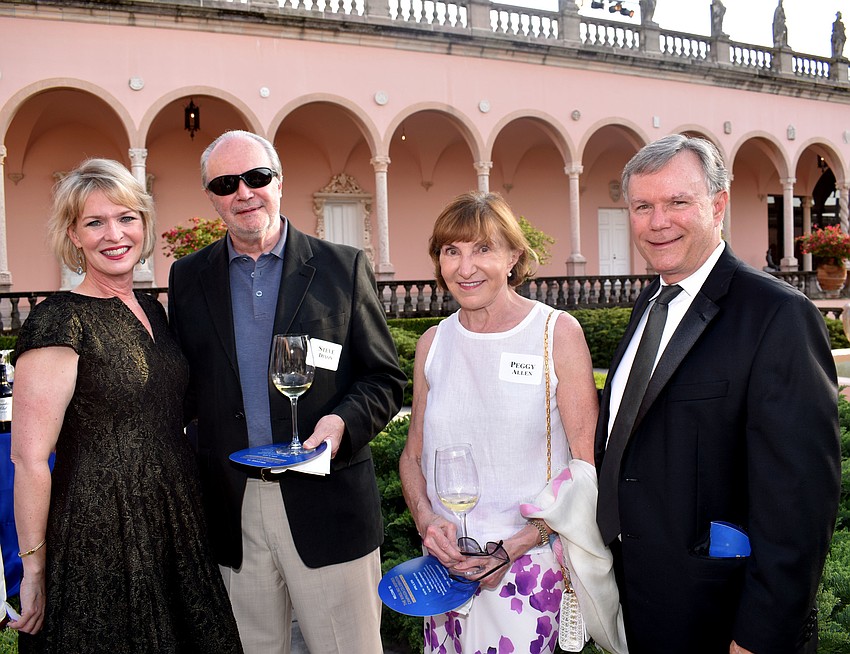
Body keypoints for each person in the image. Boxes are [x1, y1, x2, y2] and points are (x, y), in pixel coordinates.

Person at [594, 134, 841, 653]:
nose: (657, 221)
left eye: (677, 202)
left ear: (718, 204)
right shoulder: (649, 306)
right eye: (643, 206)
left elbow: (799, 504)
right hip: (643, 605)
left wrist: (757, 639)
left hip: (722, 619)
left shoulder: (778, 317)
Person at [167, 130, 406, 654]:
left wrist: (342, 423)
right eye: (226, 184)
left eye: (256, 178)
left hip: (328, 504)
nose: (244, 193)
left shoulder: (342, 268)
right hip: (234, 505)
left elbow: (385, 378)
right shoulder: (188, 278)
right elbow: (179, 388)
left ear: (280, 182)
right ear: (211, 196)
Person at [8, 158, 242, 653]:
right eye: (94, 222)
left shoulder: (154, 309)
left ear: (144, 225)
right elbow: (29, 459)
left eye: (126, 218)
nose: (113, 234)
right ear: (73, 235)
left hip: (174, 518)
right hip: (100, 529)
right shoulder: (61, 321)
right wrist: (33, 568)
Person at [399, 191, 600, 653]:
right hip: (447, 573)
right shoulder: (434, 343)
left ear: (514, 256)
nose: (465, 267)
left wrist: (511, 548)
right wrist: (427, 522)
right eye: (452, 251)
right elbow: (412, 456)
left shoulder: (556, 333)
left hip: (526, 571)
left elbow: (586, 470)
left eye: (483, 249)